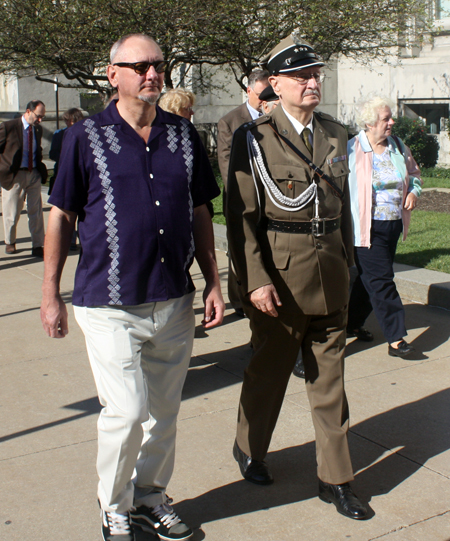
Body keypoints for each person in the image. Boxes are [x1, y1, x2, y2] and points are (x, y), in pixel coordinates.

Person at [40, 33, 224, 541]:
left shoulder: (184, 137)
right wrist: (50, 292)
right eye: (139, 65)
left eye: (158, 64)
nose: (152, 73)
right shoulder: (84, 137)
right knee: (125, 412)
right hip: (109, 302)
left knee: (163, 415)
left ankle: (149, 497)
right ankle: (114, 505)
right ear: (112, 73)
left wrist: (212, 280)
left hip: (173, 299)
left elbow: (202, 211)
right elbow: (61, 215)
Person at [226, 34, 369, 520]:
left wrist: (350, 261)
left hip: (330, 273)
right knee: (268, 373)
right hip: (280, 281)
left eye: (316, 74)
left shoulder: (335, 133)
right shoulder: (256, 138)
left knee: (331, 382)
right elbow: (242, 218)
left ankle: (336, 479)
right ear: (276, 84)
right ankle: (250, 447)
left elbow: (342, 205)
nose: (314, 82)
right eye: (302, 76)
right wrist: (255, 280)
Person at [346, 97, 422, 357]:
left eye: (391, 118)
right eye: (386, 119)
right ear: (369, 122)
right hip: (367, 228)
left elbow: (415, 175)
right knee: (382, 281)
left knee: (369, 280)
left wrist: (413, 192)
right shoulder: (351, 149)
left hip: (393, 225)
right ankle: (396, 338)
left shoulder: (398, 146)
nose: (392, 122)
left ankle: (350, 323)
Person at [217, 69, 270, 317]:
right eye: (260, 95)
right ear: (249, 91)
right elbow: (227, 165)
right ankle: (239, 298)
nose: (265, 100)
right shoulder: (230, 121)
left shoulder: (275, 115)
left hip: (270, 197)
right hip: (241, 196)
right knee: (239, 245)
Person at [0, 100, 47, 257]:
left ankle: (38, 244)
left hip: (33, 173)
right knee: (12, 212)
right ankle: (10, 241)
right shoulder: (9, 127)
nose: (40, 120)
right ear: (28, 111)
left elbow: (37, 149)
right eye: (38, 116)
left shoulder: (37, 130)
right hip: (15, 175)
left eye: (42, 117)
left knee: (36, 212)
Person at [48, 107, 84, 194]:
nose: (68, 123)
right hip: (63, 171)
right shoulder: (59, 134)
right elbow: (53, 154)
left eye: (71, 120)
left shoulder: (85, 134)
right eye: (66, 120)